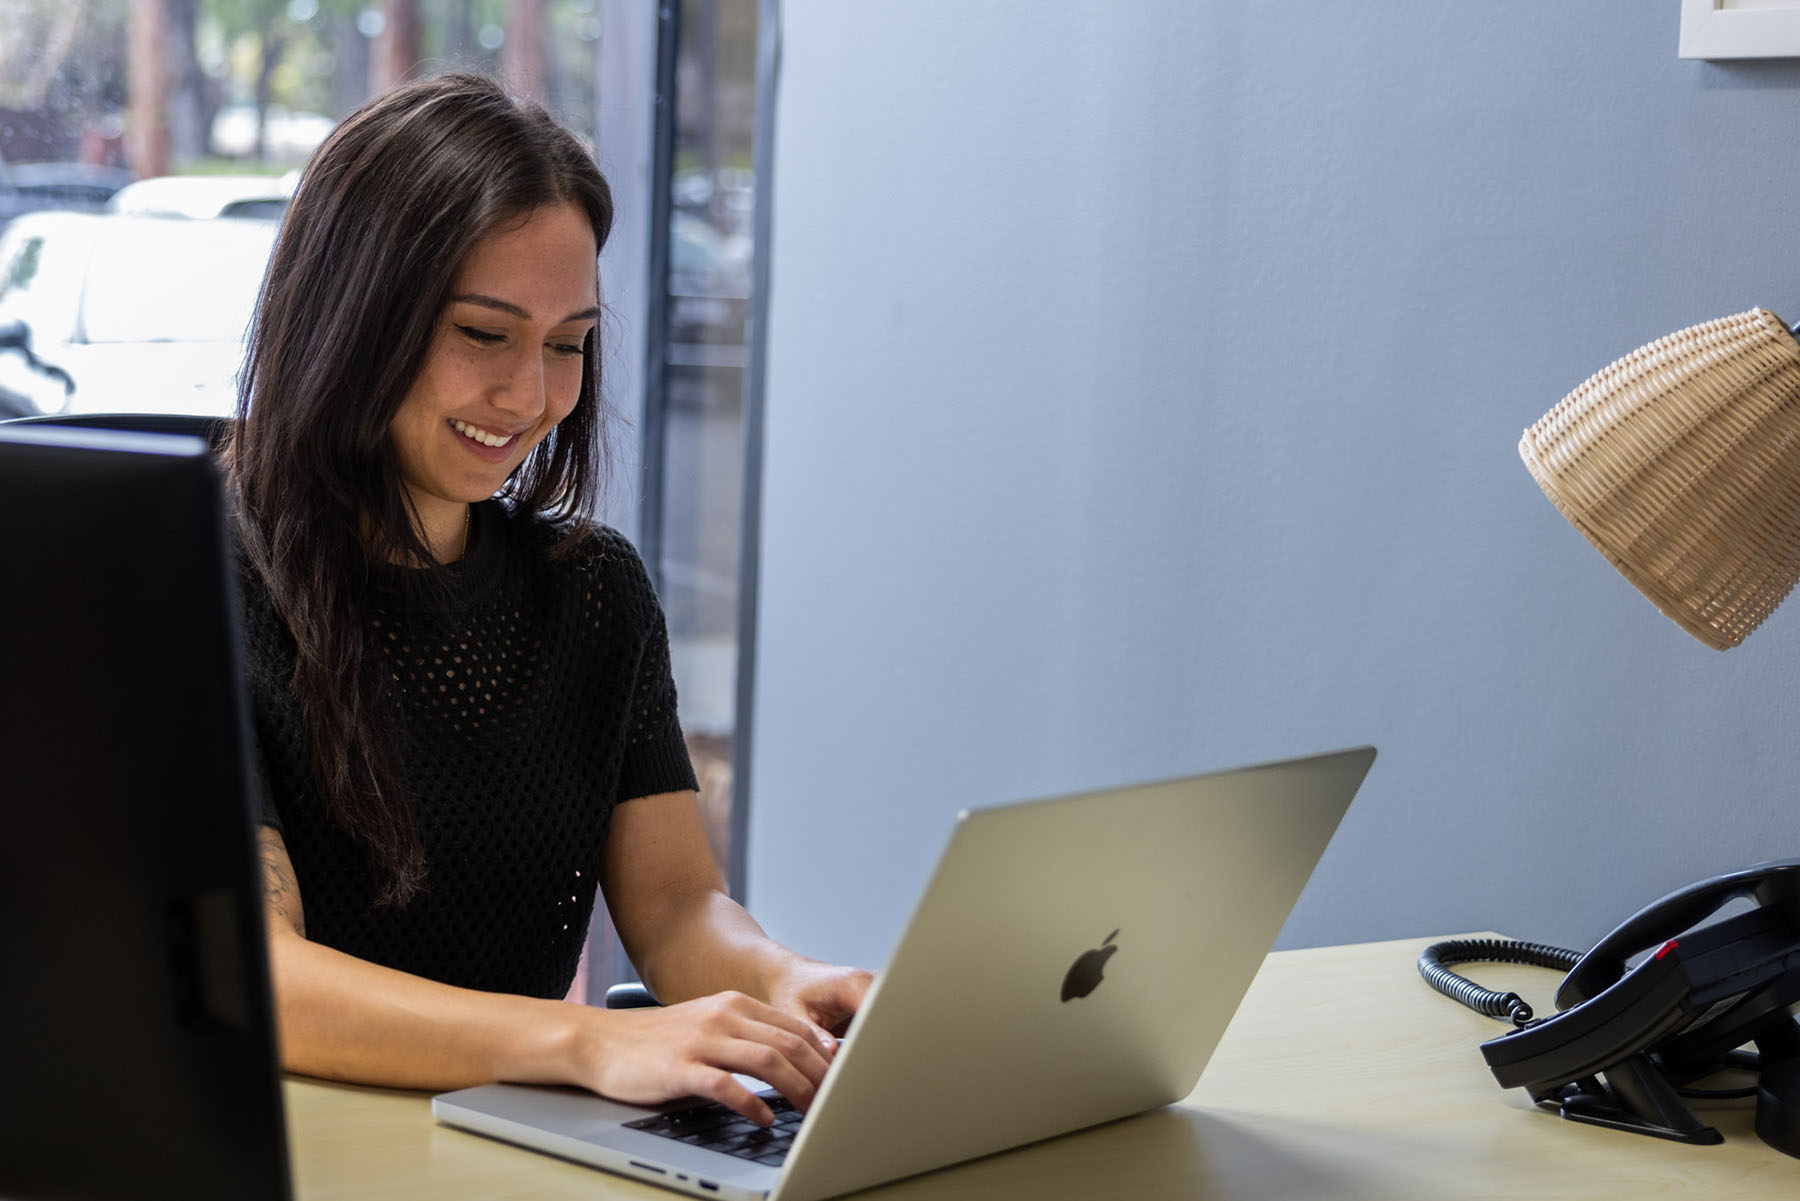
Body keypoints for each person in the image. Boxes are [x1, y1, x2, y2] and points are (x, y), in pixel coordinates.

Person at [224, 72, 869, 1128]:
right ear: (354, 314)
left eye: (567, 343)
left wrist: (779, 983)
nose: (531, 396)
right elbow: (263, 978)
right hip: (290, 1154)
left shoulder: (594, 593)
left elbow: (673, 907)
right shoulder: (201, 582)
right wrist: (588, 1039)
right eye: (485, 334)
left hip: (500, 1148)